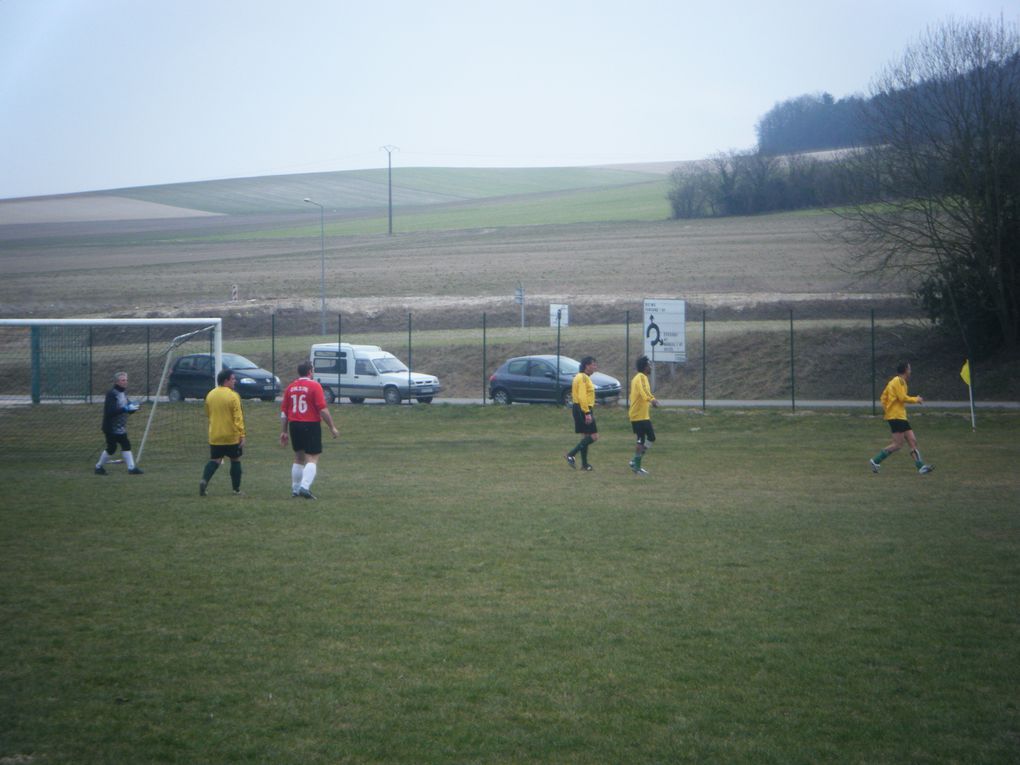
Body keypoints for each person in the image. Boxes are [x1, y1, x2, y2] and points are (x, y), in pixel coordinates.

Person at [280, 361, 339, 499]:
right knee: (312, 457)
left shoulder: (290, 387)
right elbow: (322, 410)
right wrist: (332, 427)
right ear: (310, 372)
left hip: (294, 425)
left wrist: (284, 431)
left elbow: (284, 412)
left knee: (299, 457)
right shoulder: (314, 386)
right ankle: (304, 487)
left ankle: (295, 489)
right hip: (310, 424)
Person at [870, 361, 935, 475]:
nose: (910, 371)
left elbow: (883, 397)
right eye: (909, 369)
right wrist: (916, 399)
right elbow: (902, 397)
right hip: (896, 417)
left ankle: (921, 467)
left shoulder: (898, 382)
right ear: (905, 370)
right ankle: (875, 460)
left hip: (899, 416)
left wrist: (888, 409)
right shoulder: (898, 381)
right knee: (898, 444)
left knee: (912, 440)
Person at [200, 368, 246, 496]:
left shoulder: (210, 395)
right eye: (233, 379)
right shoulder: (233, 395)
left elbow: (208, 414)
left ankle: (204, 480)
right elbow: (238, 416)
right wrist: (242, 434)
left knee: (215, 460)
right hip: (231, 435)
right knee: (235, 459)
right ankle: (236, 489)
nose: (235, 381)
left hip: (215, 435)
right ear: (226, 380)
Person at [95, 371, 143, 475]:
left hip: (120, 427)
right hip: (110, 427)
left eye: (126, 380)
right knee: (112, 448)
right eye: (123, 380)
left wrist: (134, 407)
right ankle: (98, 467)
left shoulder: (123, 393)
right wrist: (126, 408)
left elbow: (127, 408)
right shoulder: (111, 394)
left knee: (126, 445)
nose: (125, 382)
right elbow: (110, 412)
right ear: (117, 382)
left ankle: (131, 468)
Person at [564, 356, 599, 471]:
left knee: (585, 436)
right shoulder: (583, 377)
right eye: (593, 364)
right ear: (587, 366)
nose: (595, 366)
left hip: (579, 408)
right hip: (583, 409)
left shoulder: (580, 377)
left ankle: (584, 465)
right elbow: (582, 396)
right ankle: (571, 454)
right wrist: (587, 412)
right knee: (594, 436)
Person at [628, 355, 659, 476]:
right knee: (641, 439)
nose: (650, 367)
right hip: (638, 415)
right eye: (649, 365)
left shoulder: (643, 377)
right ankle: (637, 467)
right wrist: (652, 400)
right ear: (644, 367)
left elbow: (644, 392)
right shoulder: (640, 377)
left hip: (642, 415)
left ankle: (635, 461)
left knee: (651, 437)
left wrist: (650, 399)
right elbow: (643, 391)